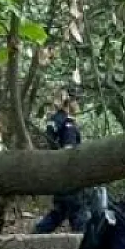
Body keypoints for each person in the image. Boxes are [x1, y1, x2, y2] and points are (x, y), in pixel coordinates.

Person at [33, 93, 88, 233]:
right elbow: (65, 148)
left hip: (63, 173)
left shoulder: (62, 121)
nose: (78, 105)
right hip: (68, 173)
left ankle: (37, 233)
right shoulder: (65, 122)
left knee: (60, 211)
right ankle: (82, 242)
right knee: (77, 208)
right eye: (77, 101)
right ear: (69, 102)